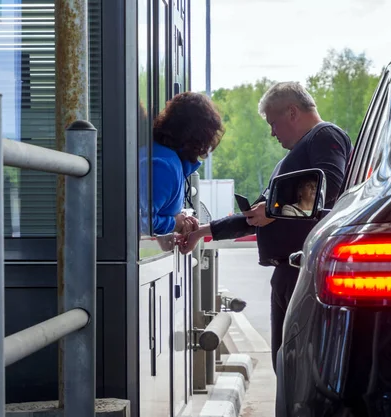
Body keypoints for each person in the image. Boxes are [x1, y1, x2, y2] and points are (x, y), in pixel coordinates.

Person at [177, 81, 352, 373]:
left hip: (304, 271)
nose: (272, 132)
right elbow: (254, 217)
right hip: (289, 272)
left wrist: (275, 210)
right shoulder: (292, 158)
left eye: (274, 123)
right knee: (285, 363)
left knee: (299, 367)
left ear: (292, 112)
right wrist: (201, 232)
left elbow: (329, 187)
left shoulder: (325, 135)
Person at [150, 91, 224, 236]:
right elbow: (140, 221)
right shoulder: (164, 167)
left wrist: (181, 218)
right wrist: (174, 223)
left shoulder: (162, 156)